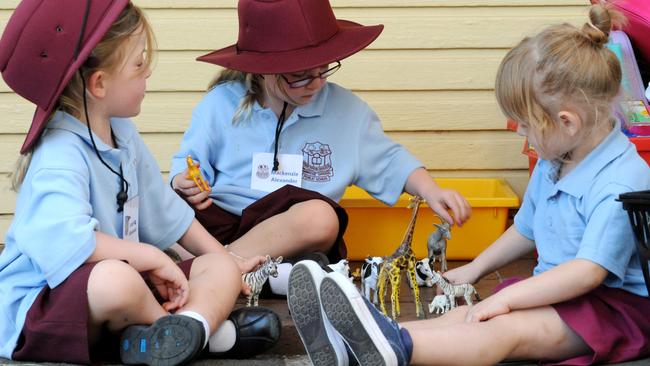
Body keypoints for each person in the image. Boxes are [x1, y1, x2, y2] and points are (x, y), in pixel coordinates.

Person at [288, 3, 650, 365]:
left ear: (567, 122)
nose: (521, 133)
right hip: (555, 296)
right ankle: (364, 341)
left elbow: (588, 272)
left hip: (609, 310)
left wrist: (507, 298)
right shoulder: (558, 159)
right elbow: (526, 230)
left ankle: (392, 350)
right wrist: (475, 269)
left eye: (525, 124)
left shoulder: (620, 179)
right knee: (462, 317)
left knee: (501, 330)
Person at [0, 1, 280, 364]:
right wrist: (147, 256)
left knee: (219, 265)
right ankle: (203, 334)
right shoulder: (59, 153)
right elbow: (68, 242)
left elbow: (170, 216)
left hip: (128, 290)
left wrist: (227, 261)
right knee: (116, 280)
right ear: (99, 84)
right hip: (45, 303)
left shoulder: (123, 134)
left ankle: (182, 330)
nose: (147, 73)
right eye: (138, 64)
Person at [168, 0, 471, 298]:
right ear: (263, 70)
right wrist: (184, 181)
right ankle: (242, 271)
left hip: (292, 233)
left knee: (321, 218)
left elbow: (390, 160)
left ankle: (207, 271)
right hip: (219, 226)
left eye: (324, 68)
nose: (316, 82)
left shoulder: (347, 113)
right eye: (299, 75)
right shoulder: (219, 103)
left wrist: (431, 190)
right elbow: (190, 165)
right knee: (167, 212)